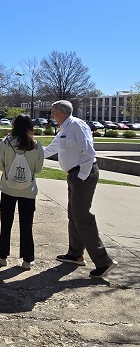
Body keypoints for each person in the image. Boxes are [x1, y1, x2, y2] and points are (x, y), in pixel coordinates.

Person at [43, 100, 118, 279]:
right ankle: (75, 254)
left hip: (82, 175)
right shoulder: (64, 129)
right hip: (74, 176)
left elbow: (88, 152)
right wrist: (28, 151)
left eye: (53, 112)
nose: (52, 115)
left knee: (83, 218)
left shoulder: (76, 125)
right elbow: (50, 149)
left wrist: (82, 177)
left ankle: (103, 261)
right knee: (73, 215)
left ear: (60, 112)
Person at [0, 114, 44, 269]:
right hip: (28, 191)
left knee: (6, 224)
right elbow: (38, 169)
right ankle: (27, 259)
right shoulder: (36, 145)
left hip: (8, 189)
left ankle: (2, 256)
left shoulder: (5, 143)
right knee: (26, 225)